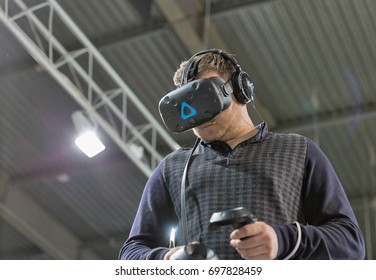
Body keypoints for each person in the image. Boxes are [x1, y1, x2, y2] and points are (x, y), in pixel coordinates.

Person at [118, 49, 365, 260]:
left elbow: (350, 243)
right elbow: (131, 253)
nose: (197, 113)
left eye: (205, 96)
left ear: (240, 90)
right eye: (187, 104)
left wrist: (283, 240)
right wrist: (167, 259)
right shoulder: (172, 167)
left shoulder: (299, 151)